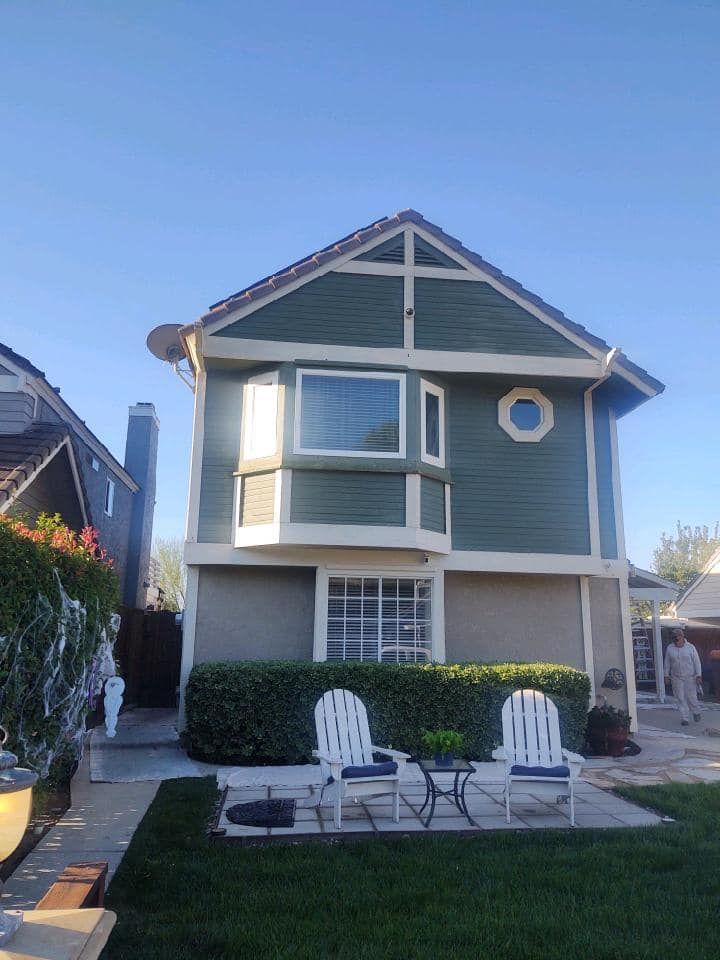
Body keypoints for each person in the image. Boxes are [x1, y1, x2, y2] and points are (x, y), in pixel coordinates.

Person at [664, 628, 703, 726]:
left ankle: (696, 711)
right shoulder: (670, 648)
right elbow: (667, 663)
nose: (675, 639)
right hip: (676, 677)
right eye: (673, 637)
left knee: (691, 697)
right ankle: (685, 718)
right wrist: (666, 675)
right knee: (680, 697)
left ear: (682, 636)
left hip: (690, 676)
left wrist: (699, 675)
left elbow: (697, 662)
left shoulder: (690, 647)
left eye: (677, 637)